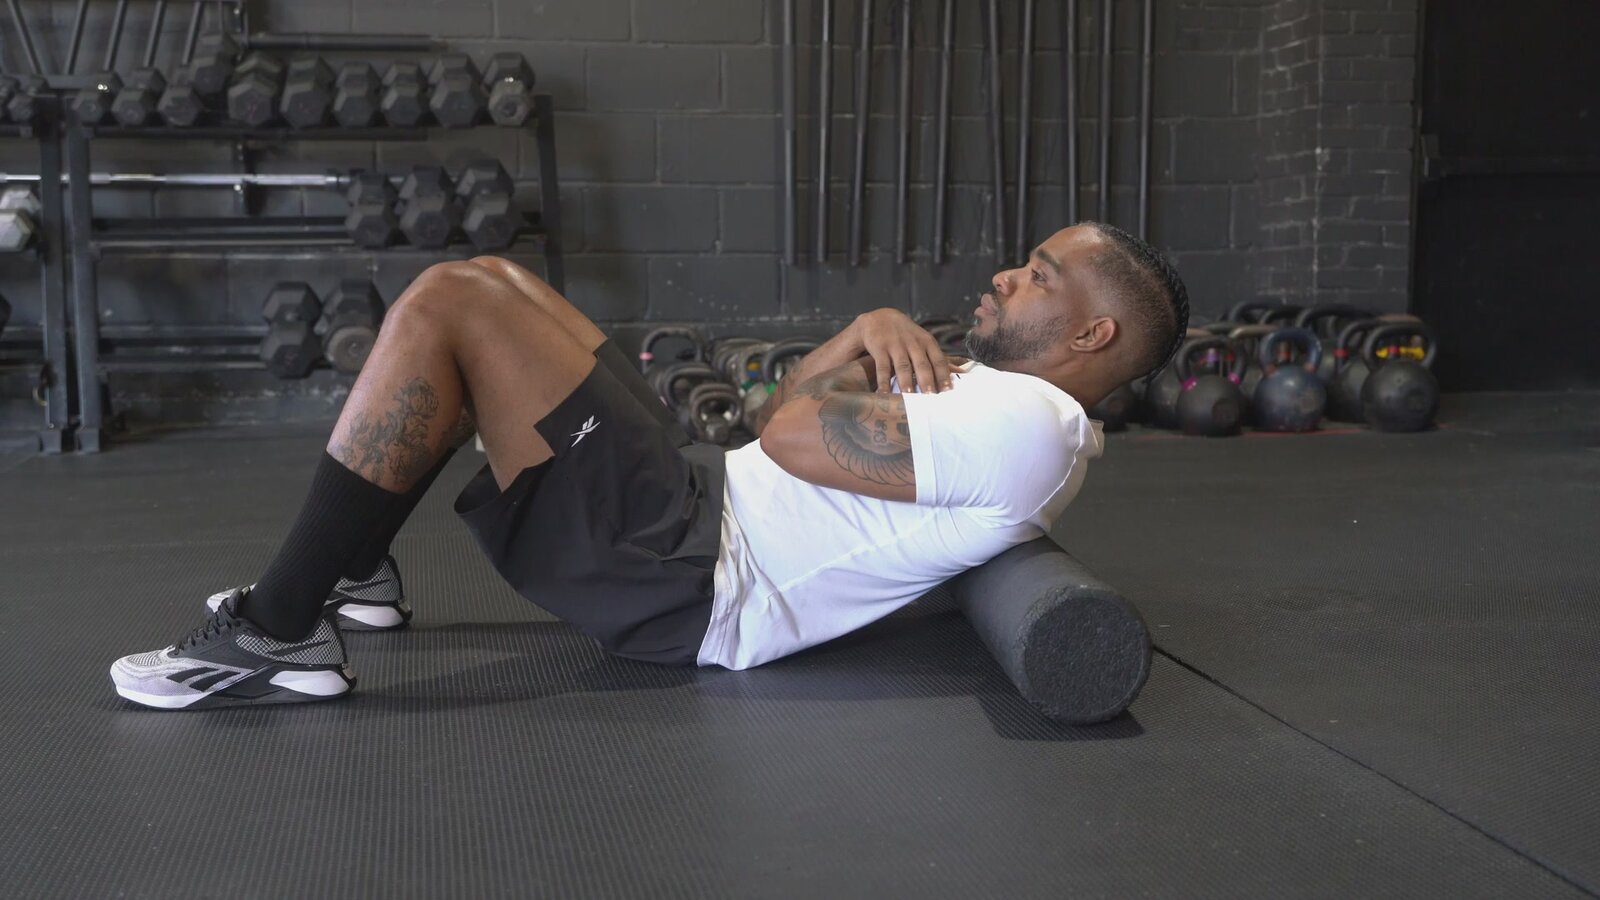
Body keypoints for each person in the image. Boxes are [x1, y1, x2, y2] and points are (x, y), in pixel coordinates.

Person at [109, 221, 1188, 709]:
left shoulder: (1028, 423)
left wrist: (851, 361)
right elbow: (772, 415)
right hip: (700, 502)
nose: (1006, 275)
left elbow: (788, 434)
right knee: (494, 279)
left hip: (689, 576)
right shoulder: (992, 391)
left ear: (1092, 335)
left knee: (451, 304)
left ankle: (277, 635)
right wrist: (863, 328)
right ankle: (355, 563)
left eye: (1039, 274)